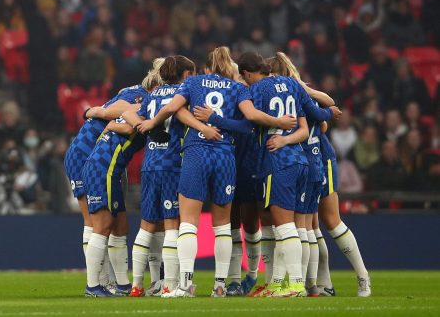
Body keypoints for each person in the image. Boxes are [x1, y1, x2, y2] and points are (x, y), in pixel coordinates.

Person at [155, 46, 292, 298]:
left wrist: (199, 126)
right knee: (222, 226)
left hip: (196, 152)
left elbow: (175, 108)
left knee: (188, 223)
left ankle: (186, 285)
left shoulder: (194, 82)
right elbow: (248, 123)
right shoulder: (238, 88)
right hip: (225, 156)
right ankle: (220, 285)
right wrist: (279, 122)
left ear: (206, 68)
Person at [231, 52, 335, 298]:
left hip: (276, 162)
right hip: (299, 160)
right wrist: (330, 114)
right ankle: (279, 284)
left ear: (246, 74)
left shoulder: (254, 90)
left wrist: (213, 119)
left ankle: (296, 285)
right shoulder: (290, 84)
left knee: (284, 227)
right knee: (289, 229)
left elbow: (250, 117)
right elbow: (307, 124)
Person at [268, 53, 372, 298]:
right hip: (302, 161)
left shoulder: (298, 93)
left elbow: (327, 110)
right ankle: (319, 284)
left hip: (319, 158)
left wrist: (304, 89)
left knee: (330, 221)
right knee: (310, 227)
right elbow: (325, 119)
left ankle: (362, 277)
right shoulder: (290, 97)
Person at [78, 59, 163, 297]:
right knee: (102, 226)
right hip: (102, 167)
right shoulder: (144, 104)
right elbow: (125, 120)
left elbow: (122, 120)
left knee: (120, 226)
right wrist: (143, 125)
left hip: (110, 169)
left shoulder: (143, 106)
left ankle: (122, 285)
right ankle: (93, 286)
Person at [128, 55, 196, 297]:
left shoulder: (153, 94)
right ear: (184, 74)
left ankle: (136, 285)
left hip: (149, 164)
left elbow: (136, 117)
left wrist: (144, 125)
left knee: (146, 226)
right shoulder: (183, 93)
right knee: (171, 224)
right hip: (172, 163)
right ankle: (170, 283)